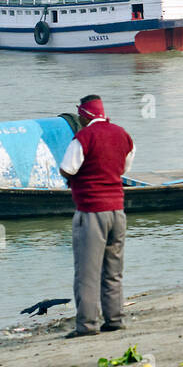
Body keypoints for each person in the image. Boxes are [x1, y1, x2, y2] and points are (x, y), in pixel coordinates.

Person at [58, 95, 136, 338]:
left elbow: (67, 168)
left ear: (84, 115)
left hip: (91, 211)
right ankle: (114, 319)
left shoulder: (84, 137)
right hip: (117, 212)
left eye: (79, 115)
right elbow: (124, 168)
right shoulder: (123, 134)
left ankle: (88, 325)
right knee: (113, 270)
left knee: (87, 271)